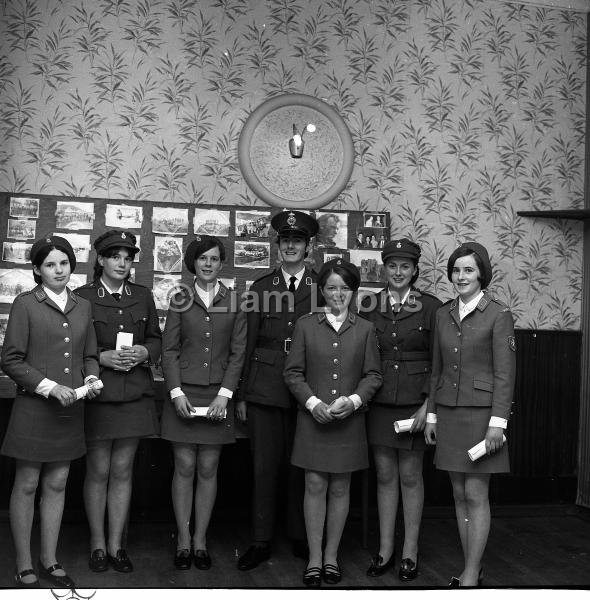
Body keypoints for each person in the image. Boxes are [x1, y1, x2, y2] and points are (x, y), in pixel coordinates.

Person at [1, 235, 100, 588]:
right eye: (50, 264)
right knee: (27, 484)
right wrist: (48, 386)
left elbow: (89, 354)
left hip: (71, 408)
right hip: (34, 408)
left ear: (72, 265)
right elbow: (11, 358)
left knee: (57, 483)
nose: (59, 270)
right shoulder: (25, 303)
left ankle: (50, 559)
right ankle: (25, 564)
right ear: (37, 270)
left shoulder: (83, 305)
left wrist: (91, 376)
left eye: (64, 263)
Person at [284, 258, 382, 587]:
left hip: (349, 421)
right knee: (314, 484)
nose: (337, 294)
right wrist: (312, 403)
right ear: (321, 291)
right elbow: (292, 372)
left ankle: (331, 556)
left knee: (341, 487)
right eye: (331, 288)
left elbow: (373, 375)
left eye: (344, 288)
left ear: (354, 291)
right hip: (313, 419)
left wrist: (353, 401)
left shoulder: (365, 328)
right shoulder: (305, 324)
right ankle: (314, 557)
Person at [424, 241, 516, 588]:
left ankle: (469, 575)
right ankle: (472, 568)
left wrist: (498, 423)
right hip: (448, 413)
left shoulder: (499, 314)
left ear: (482, 275)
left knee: (476, 494)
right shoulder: (442, 313)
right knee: (458, 494)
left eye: (468, 270)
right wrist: (431, 416)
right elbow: (436, 371)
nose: (460, 276)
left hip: (482, 418)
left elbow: (505, 375)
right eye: (456, 270)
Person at [237, 210, 319, 571]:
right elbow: (247, 342)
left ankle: (300, 537)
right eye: (285, 241)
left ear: (308, 246)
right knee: (264, 466)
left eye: (297, 241)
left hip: (307, 388)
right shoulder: (260, 288)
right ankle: (260, 540)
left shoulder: (321, 287)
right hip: (265, 387)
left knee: (301, 466)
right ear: (277, 246)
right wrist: (240, 393)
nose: (290, 246)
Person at [75, 230, 161, 574]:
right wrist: (102, 357)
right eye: (115, 256)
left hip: (134, 394)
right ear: (101, 259)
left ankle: (117, 545)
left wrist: (144, 352)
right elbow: (77, 346)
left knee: (123, 471)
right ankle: (97, 545)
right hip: (99, 393)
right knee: (98, 470)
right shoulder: (83, 296)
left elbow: (155, 338)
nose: (122, 263)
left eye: (127, 258)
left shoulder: (142, 296)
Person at [161, 235, 246, 570]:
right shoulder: (180, 298)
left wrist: (225, 395)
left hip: (217, 396)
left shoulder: (235, 300)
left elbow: (239, 353)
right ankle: (182, 540)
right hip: (185, 393)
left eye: (214, 259)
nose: (208, 264)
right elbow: (169, 350)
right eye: (202, 258)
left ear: (221, 263)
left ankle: (200, 540)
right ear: (192, 263)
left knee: (209, 468)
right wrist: (175, 392)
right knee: (184, 466)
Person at [360, 239, 441, 581]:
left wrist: (429, 406)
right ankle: (385, 549)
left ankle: (410, 550)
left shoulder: (431, 307)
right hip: (379, 402)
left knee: (410, 475)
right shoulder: (369, 305)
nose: (398, 272)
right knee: (384, 475)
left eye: (405, 266)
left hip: (414, 402)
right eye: (392, 266)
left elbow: (442, 363)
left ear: (415, 269)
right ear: (384, 268)